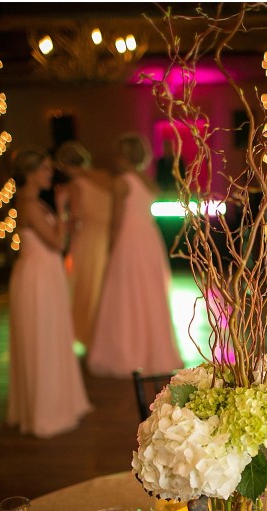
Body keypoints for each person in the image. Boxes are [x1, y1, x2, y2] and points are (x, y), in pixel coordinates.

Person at [6, 148, 92, 437]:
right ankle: (44, 411)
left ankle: (57, 402)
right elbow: (57, 242)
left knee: (52, 337)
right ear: (29, 173)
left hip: (46, 275)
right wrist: (63, 206)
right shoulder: (30, 203)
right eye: (43, 169)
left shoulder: (33, 202)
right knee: (41, 339)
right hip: (37, 280)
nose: (49, 173)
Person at [88, 133, 182, 377]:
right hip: (149, 240)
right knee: (149, 294)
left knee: (126, 295)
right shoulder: (147, 181)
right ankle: (154, 353)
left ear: (122, 156)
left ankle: (128, 353)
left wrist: (110, 247)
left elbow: (116, 220)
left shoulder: (122, 181)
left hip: (129, 241)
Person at [54, 140, 114, 349]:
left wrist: (62, 210)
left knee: (85, 286)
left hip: (87, 238)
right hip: (108, 237)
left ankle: (88, 336)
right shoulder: (105, 177)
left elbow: (77, 216)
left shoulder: (75, 184)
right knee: (104, 285)